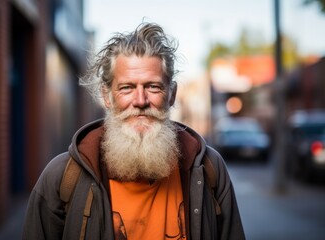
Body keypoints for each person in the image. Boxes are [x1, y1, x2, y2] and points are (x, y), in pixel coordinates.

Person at [22, 22, 245, 240]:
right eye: (126, 87)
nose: (140, 101)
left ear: (172, 94)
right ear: (107, 96)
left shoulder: (209, 169)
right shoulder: (62, 177)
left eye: (153, 86)